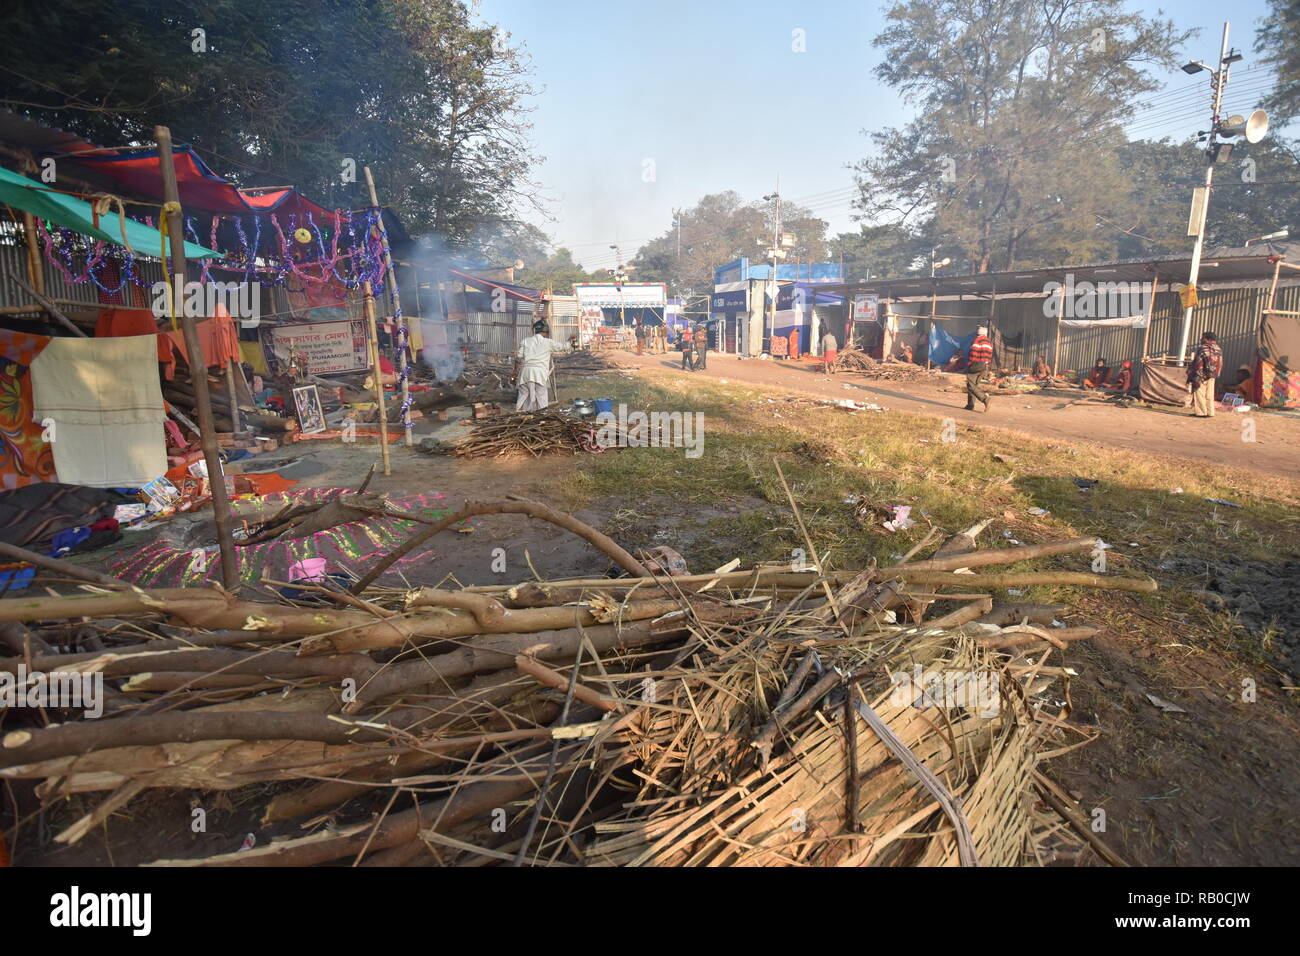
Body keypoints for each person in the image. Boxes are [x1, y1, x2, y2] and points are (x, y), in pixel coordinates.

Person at [514, 319, 572, 411]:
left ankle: (517, 415)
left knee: (523, 396)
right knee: (541, 399)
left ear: (535, 331)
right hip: (540, 374)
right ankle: (542, 417)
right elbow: (564, 346)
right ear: (545, 332)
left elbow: (519, 356)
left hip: (525, 373)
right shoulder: (548, 342)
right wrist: (570, 341)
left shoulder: (525, 341)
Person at [1187, 330, 1222, 417]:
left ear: (1207, 339)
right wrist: (1215, 373)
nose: (1200, 339)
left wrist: (1195, 374)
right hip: (1212, 375)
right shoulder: (1218, 349)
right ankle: (1210, 412)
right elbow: (1220, 363)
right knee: (1210, 394)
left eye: (1202, 337)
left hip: (1201, 375)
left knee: (1199, 393)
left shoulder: (1203, 348)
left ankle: (1201, 412)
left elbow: (1198, 362)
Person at [964, 325, 994, 412]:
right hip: (984, 366)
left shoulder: (977, 340)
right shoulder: (988, 342)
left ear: (978, 333)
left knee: (970, 385)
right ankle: (970, 405)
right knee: (974, 385)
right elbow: (989, 356)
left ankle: (985, 399)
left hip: (976, 364)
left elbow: (973, 353)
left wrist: (970, 364)